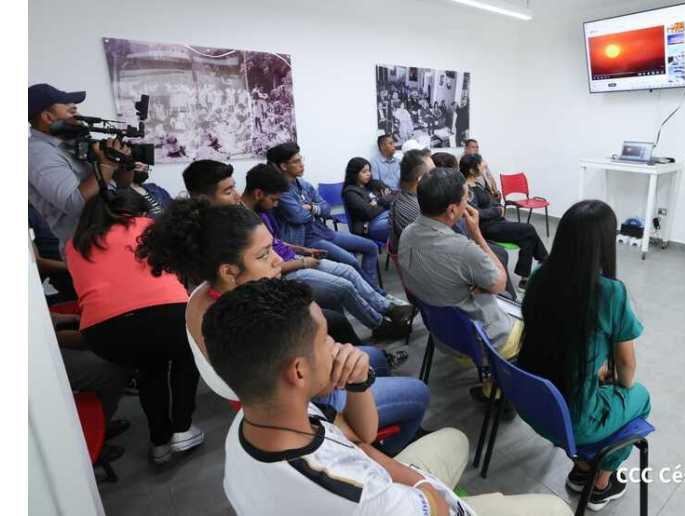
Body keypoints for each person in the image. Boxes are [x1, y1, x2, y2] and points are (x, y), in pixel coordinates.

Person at [203, 279, 573, 516]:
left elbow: (361, 440)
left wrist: (359, 381)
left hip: (387, 481)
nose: (337, 346)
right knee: (555, 509)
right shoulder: (360, 500)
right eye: (324, 339)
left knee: (455, 440)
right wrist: (424, 486)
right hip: (419, 502)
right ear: (298, 371)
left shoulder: (256, 418)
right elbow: (435, 508)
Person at [136, 198, 431, 456]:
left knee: (374, 357)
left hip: (287, 393)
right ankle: (385, 451)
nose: (278, 261)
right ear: (228, 271)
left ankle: (392, 423)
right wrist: (358, 430)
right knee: (417, 393)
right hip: (310, 408)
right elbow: (318, 394)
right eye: (264, 255)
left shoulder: (202, 296)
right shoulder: (254, 327)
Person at [518, 200, 651, 512]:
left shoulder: (539, 278)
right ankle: (600, 484)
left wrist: (596, 373)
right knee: (640, 398)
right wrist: (610, 377)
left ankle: (581, 469)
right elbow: (628, 374)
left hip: (536, 406)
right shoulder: (610, 293)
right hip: (573, 420)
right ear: (604, 245)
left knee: (600, 390)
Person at [65, 189, 202, 465]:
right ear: (136, 212)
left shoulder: (74, 244)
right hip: (165, 313)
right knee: (187, 357)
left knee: (150, 369)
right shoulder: (146, 226)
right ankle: (183, 428)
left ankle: (159, 442)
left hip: (104, 332)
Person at [179, 159, 370, 346]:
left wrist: (300, 254)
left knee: (337, 299)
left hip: (265, 294)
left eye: (234, 188)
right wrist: (300, 264)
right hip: (260, 309)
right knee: (337, 303)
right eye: (228, 192)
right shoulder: (217, 240)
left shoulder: (239, 221)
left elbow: (275, 249)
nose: (237, 196)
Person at [242, 163, 413, 342]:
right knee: (344, 285)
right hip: (285, 271)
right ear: (259, 194)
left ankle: (388, 308)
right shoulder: (244, 225)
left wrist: (303, 250)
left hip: (296, 255)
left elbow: (277, 241)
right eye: (274, 200)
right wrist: (302, 261)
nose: (276, 205)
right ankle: (380, 325)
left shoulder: (262, 212)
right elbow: (263, 270)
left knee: (348, 270)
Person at [398, 168, 522, 407]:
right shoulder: (463, 249)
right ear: (453, 210)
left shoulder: (407, 234)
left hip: (442, 332)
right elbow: (499, 282)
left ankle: (492, 385)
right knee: (531, 322)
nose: (469, 201)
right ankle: (500, 391)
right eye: (466, 197)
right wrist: (476, 233)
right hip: (480, 341)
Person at [392, 151, 517, 300]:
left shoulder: (410, 228)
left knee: (498, 254)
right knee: (500, 270)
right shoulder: (460, 247)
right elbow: (498, 283)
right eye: (433, 171)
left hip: (433, 299)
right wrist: (476, 233)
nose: (438, 174)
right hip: (463, 304)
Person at [28, 83, 132, 255]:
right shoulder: (37, 153)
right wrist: (107, 165)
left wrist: (124, 163)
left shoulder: (70, 143)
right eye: (72, 111)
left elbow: (121, 185)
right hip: (92, 251)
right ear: (47, 117)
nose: (79, 116)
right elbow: (75, 203)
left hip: (115, 240)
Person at [267, 143, 383, 291]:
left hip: (324, 231)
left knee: (371, 247)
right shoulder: (282, 191)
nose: (302, 165)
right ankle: (376, 293)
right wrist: (315, 209)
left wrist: (311, 207)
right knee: (351, 261)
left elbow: (327, 209)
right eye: (296, 161)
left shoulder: (304, 184)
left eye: (301, 159)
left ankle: (371, 291)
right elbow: (298, 216)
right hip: (308, 240)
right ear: (283, 166)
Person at [460, 154, 548, 288]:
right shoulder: (467, 189)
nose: (484, 164)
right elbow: (475, 213)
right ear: (472, 170)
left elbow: (492, 202)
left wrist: (497, 205)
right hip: (487, 227)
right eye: (481, 163)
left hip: (497, 222)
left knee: (527, 237)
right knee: (528, 229)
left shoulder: (478, 184)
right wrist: (498, 210)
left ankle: (527, 277)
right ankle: (543, 262)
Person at [342, 157, 394, 242]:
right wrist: (384, 201)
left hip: (385, 216)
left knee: (404, 217)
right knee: (399, 223)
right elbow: (368, 213)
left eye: (369, 170)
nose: (368, 174)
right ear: (354, 173)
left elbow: (393, 197)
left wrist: (377, 202)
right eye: (364, 172)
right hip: (367, 226)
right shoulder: (350, 192)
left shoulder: (375, 184)